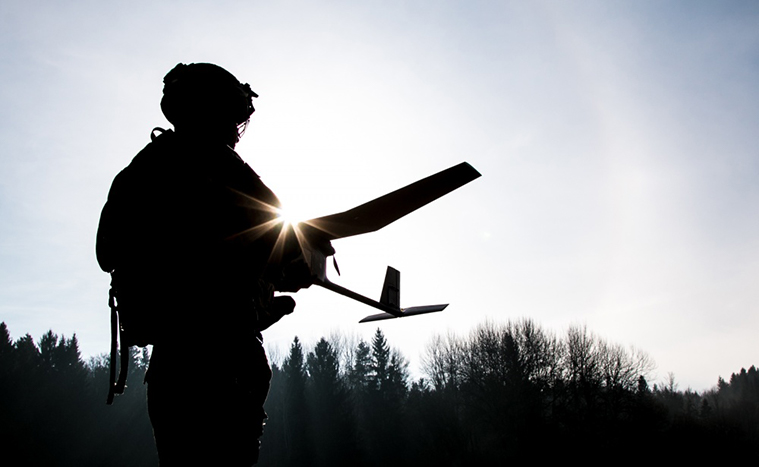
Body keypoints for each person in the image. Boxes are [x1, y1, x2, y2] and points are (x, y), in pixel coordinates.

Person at [96, 63, 321, 466]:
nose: (236, 130)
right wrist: (303, 257)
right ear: (214, 111)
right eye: (233, 117)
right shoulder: (221, 167)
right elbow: (279, 237)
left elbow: (107, 253)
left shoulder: (141, 169)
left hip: (170, 367)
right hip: (223, 369)